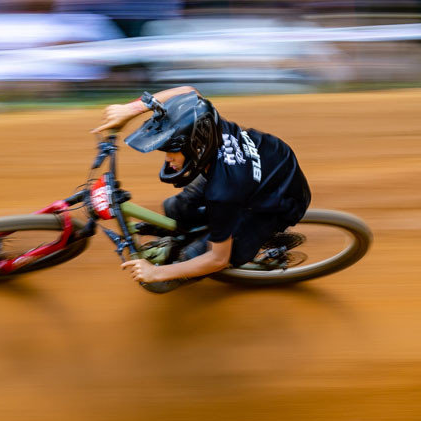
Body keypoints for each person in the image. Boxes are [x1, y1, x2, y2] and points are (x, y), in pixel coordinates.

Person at [92, 85, 311, 291]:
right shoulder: (208, 124)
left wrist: (156, 274)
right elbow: (188, 92)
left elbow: (217, 259)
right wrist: (129, 110)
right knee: (176, 208)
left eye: (172, 151)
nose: (168, 160)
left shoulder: (223, 192)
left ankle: (250, 241)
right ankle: (199, 232)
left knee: (186, 262)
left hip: (279, 201)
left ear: (195, 146)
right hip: (273, 161)